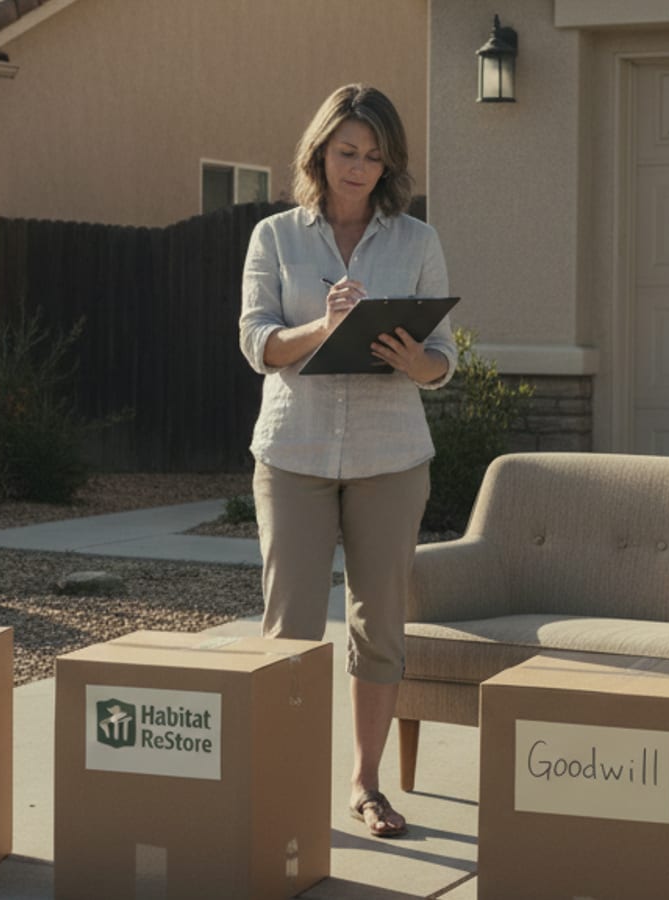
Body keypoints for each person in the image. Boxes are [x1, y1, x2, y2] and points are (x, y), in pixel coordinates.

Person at [238, 84, 456, 839]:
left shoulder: (416, 242)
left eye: (372, 155)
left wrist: (412, 357)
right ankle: (286, 785)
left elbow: (444, 363)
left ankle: (366, 787)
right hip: (293, 452)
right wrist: (324, 327)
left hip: (390, 456)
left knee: (379, 625)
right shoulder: (275, 237)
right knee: (291, 627)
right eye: (345, 152)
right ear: (320, 152)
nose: (358, 167)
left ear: (389, 162)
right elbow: (257, 343)